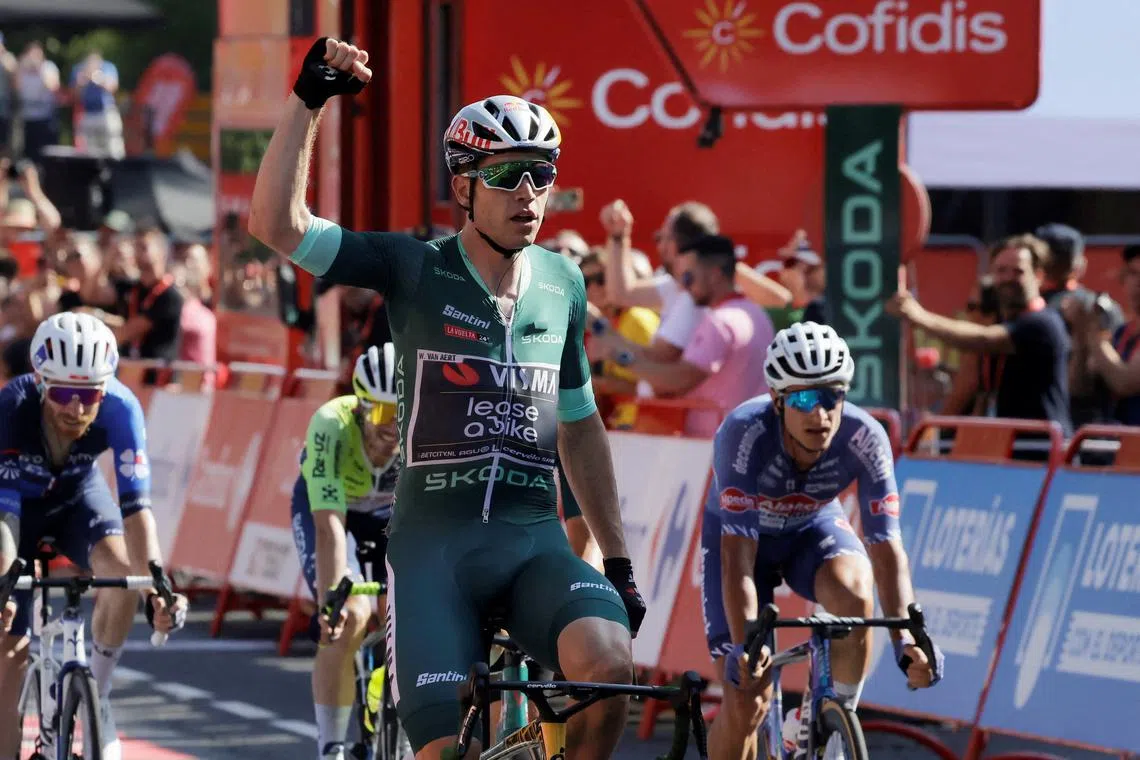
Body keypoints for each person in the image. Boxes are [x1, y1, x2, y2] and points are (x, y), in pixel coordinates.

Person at [249, 38, 645, 760]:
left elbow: (582, 430)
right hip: (435, 552)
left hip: (533, 544)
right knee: (444, 752)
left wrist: (616, 561)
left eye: (543, 174)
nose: (530, 194)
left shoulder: (562, 281)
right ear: (463, 186)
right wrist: (308, 101)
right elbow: (277, 228)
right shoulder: (415, 267)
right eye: (509, 177)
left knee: (611, 667)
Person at [702, 322, 943, 760]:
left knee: (855, 593)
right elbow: (737, 561)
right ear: (777, 401)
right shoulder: (743, 433)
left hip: (810, 531)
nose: (821, 414)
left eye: (832, 396)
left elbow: (887, 550)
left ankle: (828, 726)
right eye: (805, 399)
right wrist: (746, 646)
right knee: (745, 698)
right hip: (743, 545)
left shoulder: (865, 437)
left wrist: (906, 638)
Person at [0, 312, 188, 760]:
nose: (77, 408)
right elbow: (4, 518)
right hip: (16, 512)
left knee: (123, 574)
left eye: (90, 395)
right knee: (8, 662)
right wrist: (4, 585)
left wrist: (157, 586)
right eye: (64, 393)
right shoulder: (12, 405)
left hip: (77, 498)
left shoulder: (122, 408)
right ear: (42, 382)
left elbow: (137, 511)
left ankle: (94, 698)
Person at [291, 345, 405, 760]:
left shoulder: (424, 429)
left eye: (401, 412)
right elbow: (329, 528)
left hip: (390, 514)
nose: (391, 428)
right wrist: (331, 603)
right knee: (350, 616)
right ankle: (331, 746)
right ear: (359, 408)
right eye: (380, 414)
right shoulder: (329, 425)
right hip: (331, 512)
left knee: (411, 610)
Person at [887, 235, 1072, 437]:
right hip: (1008, 447)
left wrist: (918, 316)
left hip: (1042, 449)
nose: (1008, 278)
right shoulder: (1004, 321)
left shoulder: (1043, 323)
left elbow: (983, 339)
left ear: (1038, 275)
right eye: (1001, 271)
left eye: (1018, 271)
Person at [593, 234, 775, 438]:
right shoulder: (756, 313)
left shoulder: (720, 322)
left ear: (715, 275)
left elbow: (674, 381)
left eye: (688, 277)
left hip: (718, 450)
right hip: (742, 440)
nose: (683, 287)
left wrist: (619, 356)